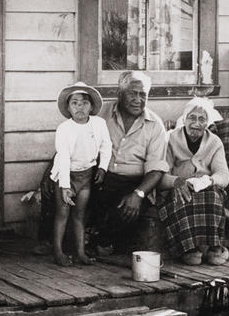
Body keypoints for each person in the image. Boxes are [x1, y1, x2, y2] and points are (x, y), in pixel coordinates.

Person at [92, 70, 169, 255]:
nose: (138, 99)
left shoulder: (155, 125)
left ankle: (101, 240)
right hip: (100, 176)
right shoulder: (102, 114)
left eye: (143, 94)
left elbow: (156, 169)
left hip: (133, 183)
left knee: (127, 210)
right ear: (120, 93)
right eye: (132, 93)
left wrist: (139, 194)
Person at [157, 97, 229, 265]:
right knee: (182, 196)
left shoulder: (214, 142)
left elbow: (224, 176)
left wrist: (209, 180)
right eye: (192, 117)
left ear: (207, 123)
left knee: (212, 195)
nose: (196, 123)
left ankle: (215, 247)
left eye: (201, 119)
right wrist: (177, 181)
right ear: (184, 119)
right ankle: (188, 249)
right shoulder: (170, 139)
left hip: (205, 187)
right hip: (177, 186)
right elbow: (161, 176)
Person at [50, 82, 112, 266]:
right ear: (68, 108)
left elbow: (106, 145)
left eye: (84, 102)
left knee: (79, 214)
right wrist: (65, 186)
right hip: (65, 174)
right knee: (62, 213)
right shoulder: (65, 128)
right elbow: (63, 157)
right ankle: (58, 252)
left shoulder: (99, 124)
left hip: (85, 177)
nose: (80, 106)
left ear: (91, 106)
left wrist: (103, 167)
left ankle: (80, 253)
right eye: (74, 103)